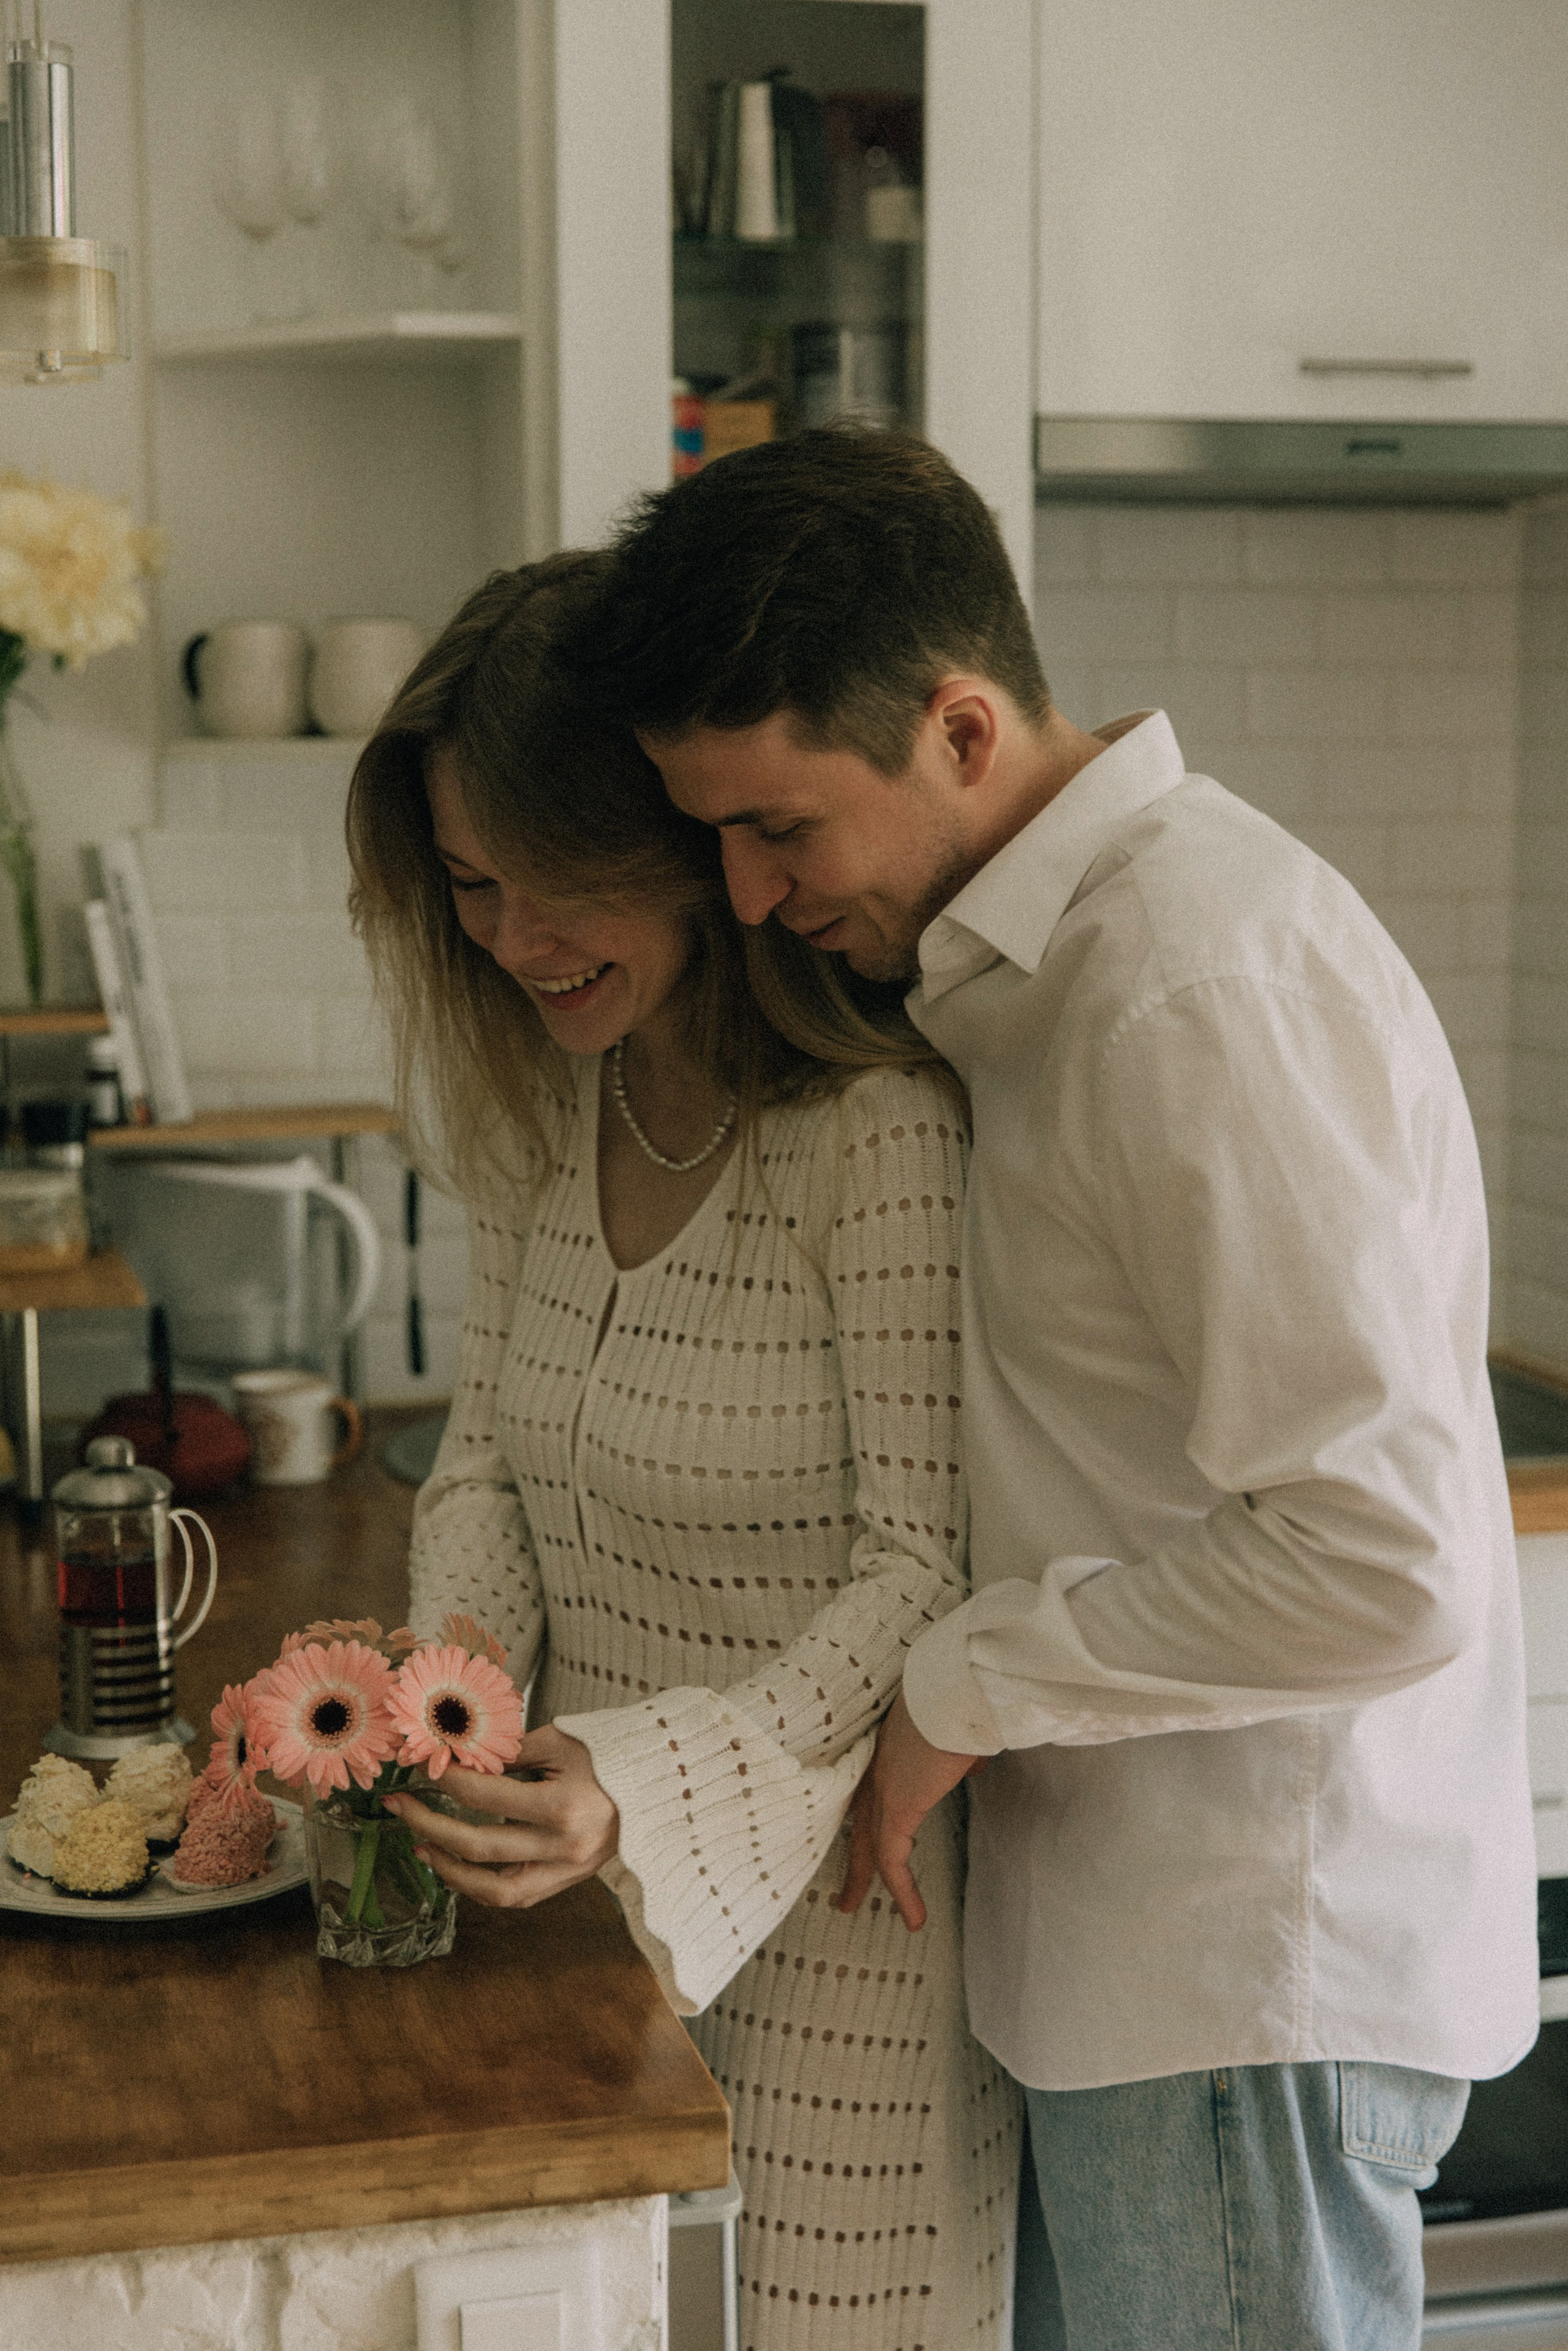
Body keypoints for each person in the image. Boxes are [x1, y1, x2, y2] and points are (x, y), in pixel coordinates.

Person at [576, 426, 1540, 2351]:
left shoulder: (1192, 980)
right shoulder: (1050, 966)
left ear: (957, 729)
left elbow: (1387, 1556)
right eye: (716, 843)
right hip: (1158, 1974)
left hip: (1239, 1976)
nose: (751, 899)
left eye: (781, 828)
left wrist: (966, 1679)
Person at [345, 551, 1021, 2351]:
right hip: (568, 1906)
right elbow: (481, 1457)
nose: (511, 939)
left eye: (560, 885)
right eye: (475, 887)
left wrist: (635, 1783)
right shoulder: (554, 1103)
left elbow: (925, 1567)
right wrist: (463, 1690)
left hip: (842, 1929)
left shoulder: (869, 1131)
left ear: (695, 857)